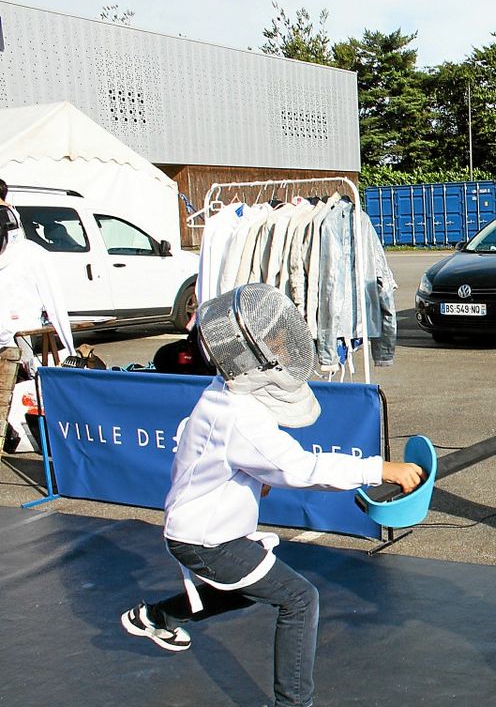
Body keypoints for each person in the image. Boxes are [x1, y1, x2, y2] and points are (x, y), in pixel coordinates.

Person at [119, 283, 423, 707]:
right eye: (274, 339)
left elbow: (202, 449)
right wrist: (379, 469)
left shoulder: (222, 393)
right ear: (252, 353)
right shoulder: (237, 416)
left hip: (203, 530)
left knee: (246, 590)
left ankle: (157, 616)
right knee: (299, 599)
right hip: (205, 540)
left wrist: (241, 475)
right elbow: (299, 468)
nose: (283, 343)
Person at [0, 180, 76, 448]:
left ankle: (15, 429)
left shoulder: (27, 252)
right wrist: (70, 347)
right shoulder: (31, 252)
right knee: (24, 378)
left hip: (17, 332)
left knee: (21, 379)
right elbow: (55, 303)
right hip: (19, 331)